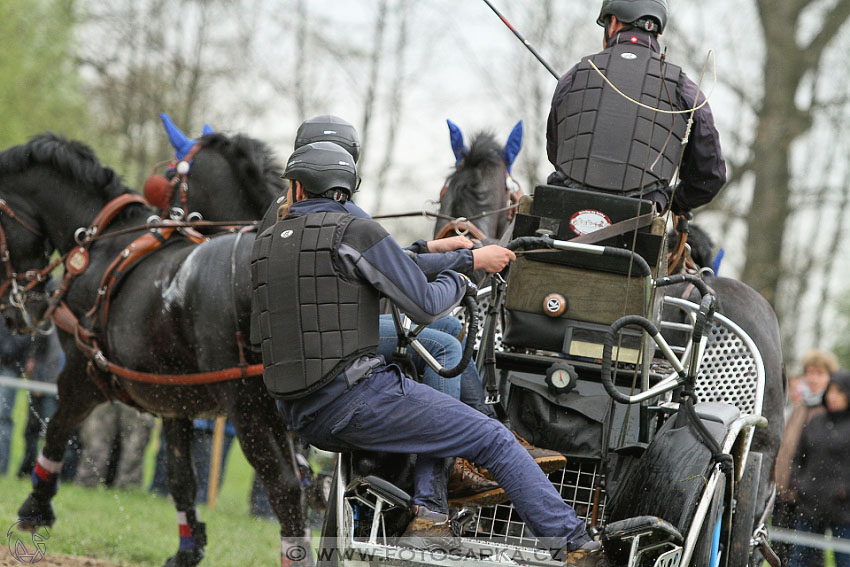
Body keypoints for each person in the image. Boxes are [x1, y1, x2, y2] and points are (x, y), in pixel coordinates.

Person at [251, 141, 606, 566]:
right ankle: (579, 545)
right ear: (347, 187)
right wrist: (464, 273)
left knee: (444, 357)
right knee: (491, 438)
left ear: (296, 187)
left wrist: (451, 255)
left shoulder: (269, 241)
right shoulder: (354, 232)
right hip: (353, 401)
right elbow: (425, 304)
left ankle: (432, 511)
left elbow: (374, 267)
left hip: (298, 412)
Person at [546, 0, 726, 215]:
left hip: (563, 209)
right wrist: (670, 200)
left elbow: (556, 153)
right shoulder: (685, 89)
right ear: (657, 33)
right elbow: (709, 177)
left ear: (612, 23)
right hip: (640, 221)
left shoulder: (572, 76)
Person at [773, 349, 838, 561]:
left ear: (830, 377)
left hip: (809, 497)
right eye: (809, 372)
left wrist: (801, 485)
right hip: (784, 494)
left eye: (819, 373)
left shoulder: (829, 411)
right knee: (780, 551)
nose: (813, 378)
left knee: (806, 555)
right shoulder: (800, 407)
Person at [787, 369, 850, 567]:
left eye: (839, 392)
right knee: (800, 560)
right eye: (830, 391)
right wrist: (798, 483)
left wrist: (844, 490)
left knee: (844, 560)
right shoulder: (816, 421)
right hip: (810, 503)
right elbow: (799, 457)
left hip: (844, 509)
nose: (833, 397)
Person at [75, 401, 155, 489]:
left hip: (137, 394)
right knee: (96, 441)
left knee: (134, 444)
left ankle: (128, 487)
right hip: (105, 393)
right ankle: (87, 483)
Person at [0, 324, 34, 475]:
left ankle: (1, 467)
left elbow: (20, 336)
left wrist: (4, 354)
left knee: (3, 418)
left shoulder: (13, 308)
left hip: (8, 368)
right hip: (7, 364)